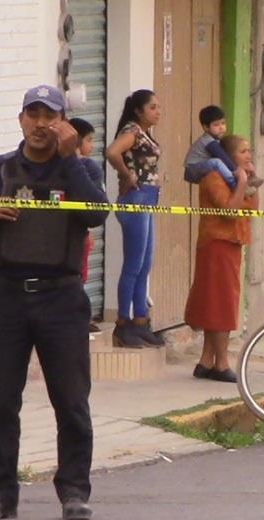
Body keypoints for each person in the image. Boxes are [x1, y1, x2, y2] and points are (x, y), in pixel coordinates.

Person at [0, 85, 108, 520]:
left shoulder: (83, 169)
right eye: (32, 115)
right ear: (21, 120)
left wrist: (71, 158)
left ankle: (74, 490)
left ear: (63, 123)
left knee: (71, 400)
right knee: (1, 401)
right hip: (7, 299)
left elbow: (96, 213)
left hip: (61, 299)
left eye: (49, 116)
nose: (41, 124)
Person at [184, 135, 258, 382]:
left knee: (217, 301)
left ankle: (207, 360)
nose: (248, 155)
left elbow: (251, 208)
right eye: (243, 151)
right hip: (217, 243)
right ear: (229, 156)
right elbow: (229, 211)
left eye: (249, 151)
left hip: (232, 243)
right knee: (220, 303)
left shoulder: (236, 177)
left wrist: (250, 183)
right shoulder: (214, 176)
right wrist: (240, 183)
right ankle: (221, 363)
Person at [105, 89, 164, 349]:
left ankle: (141, 319)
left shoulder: (144, 133)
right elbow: (112, 152)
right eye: (152, 107)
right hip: (136, 200)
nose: (157, 112)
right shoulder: (133, 131)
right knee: (133, 263)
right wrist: (127, 175)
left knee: (145, 262)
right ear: (139, 111)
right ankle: (123, 322)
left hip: (148, 199)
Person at [69, 117, 104, 333]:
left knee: (81, 274)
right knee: (78, 274)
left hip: (82, 232)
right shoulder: (84, 166)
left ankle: (80, 314)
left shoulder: (88, 168)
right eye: (89, 140)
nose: (92, 146)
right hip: (73, 235)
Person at [183, 105, 246, 189]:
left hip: (200, 167)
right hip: (193, 169)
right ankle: (236, 185)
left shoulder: (216, 141)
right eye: (216, 125)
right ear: (206, 127)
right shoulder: (208, 141)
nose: (221, 128)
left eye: (223, 123)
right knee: (216, 162)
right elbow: (223, 157)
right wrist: (237, 171)